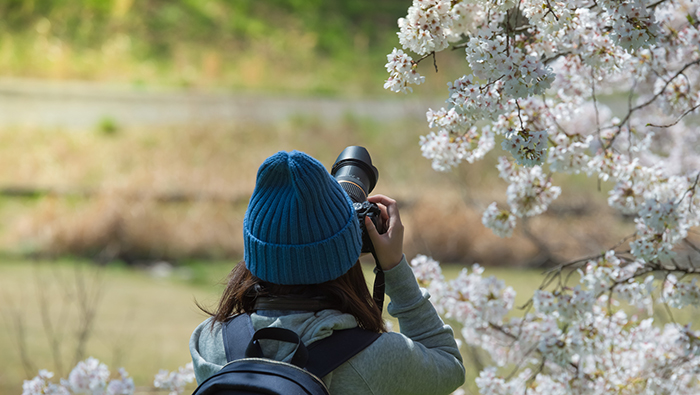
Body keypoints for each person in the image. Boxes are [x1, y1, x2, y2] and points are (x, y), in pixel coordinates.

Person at [189, 150, 465, 395]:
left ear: (254, 253)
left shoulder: (211, 342)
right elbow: (449, 365)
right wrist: (394, 267)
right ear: (347, 253)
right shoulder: (375, 358)